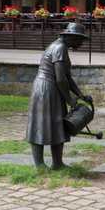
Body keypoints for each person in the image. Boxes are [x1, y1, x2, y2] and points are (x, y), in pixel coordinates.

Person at [26, 23, 92, 170]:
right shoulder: (59, 48)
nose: (81, 43)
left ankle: (57, 163)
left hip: (52, 89)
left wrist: (80, 95)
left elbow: (67, 77)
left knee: (58, 125)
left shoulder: (62, 47)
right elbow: (60, 79)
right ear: (71, 37)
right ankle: (40, 165)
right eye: (80, 40)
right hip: (46, 89)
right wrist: (70, 100)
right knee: (41, 125)